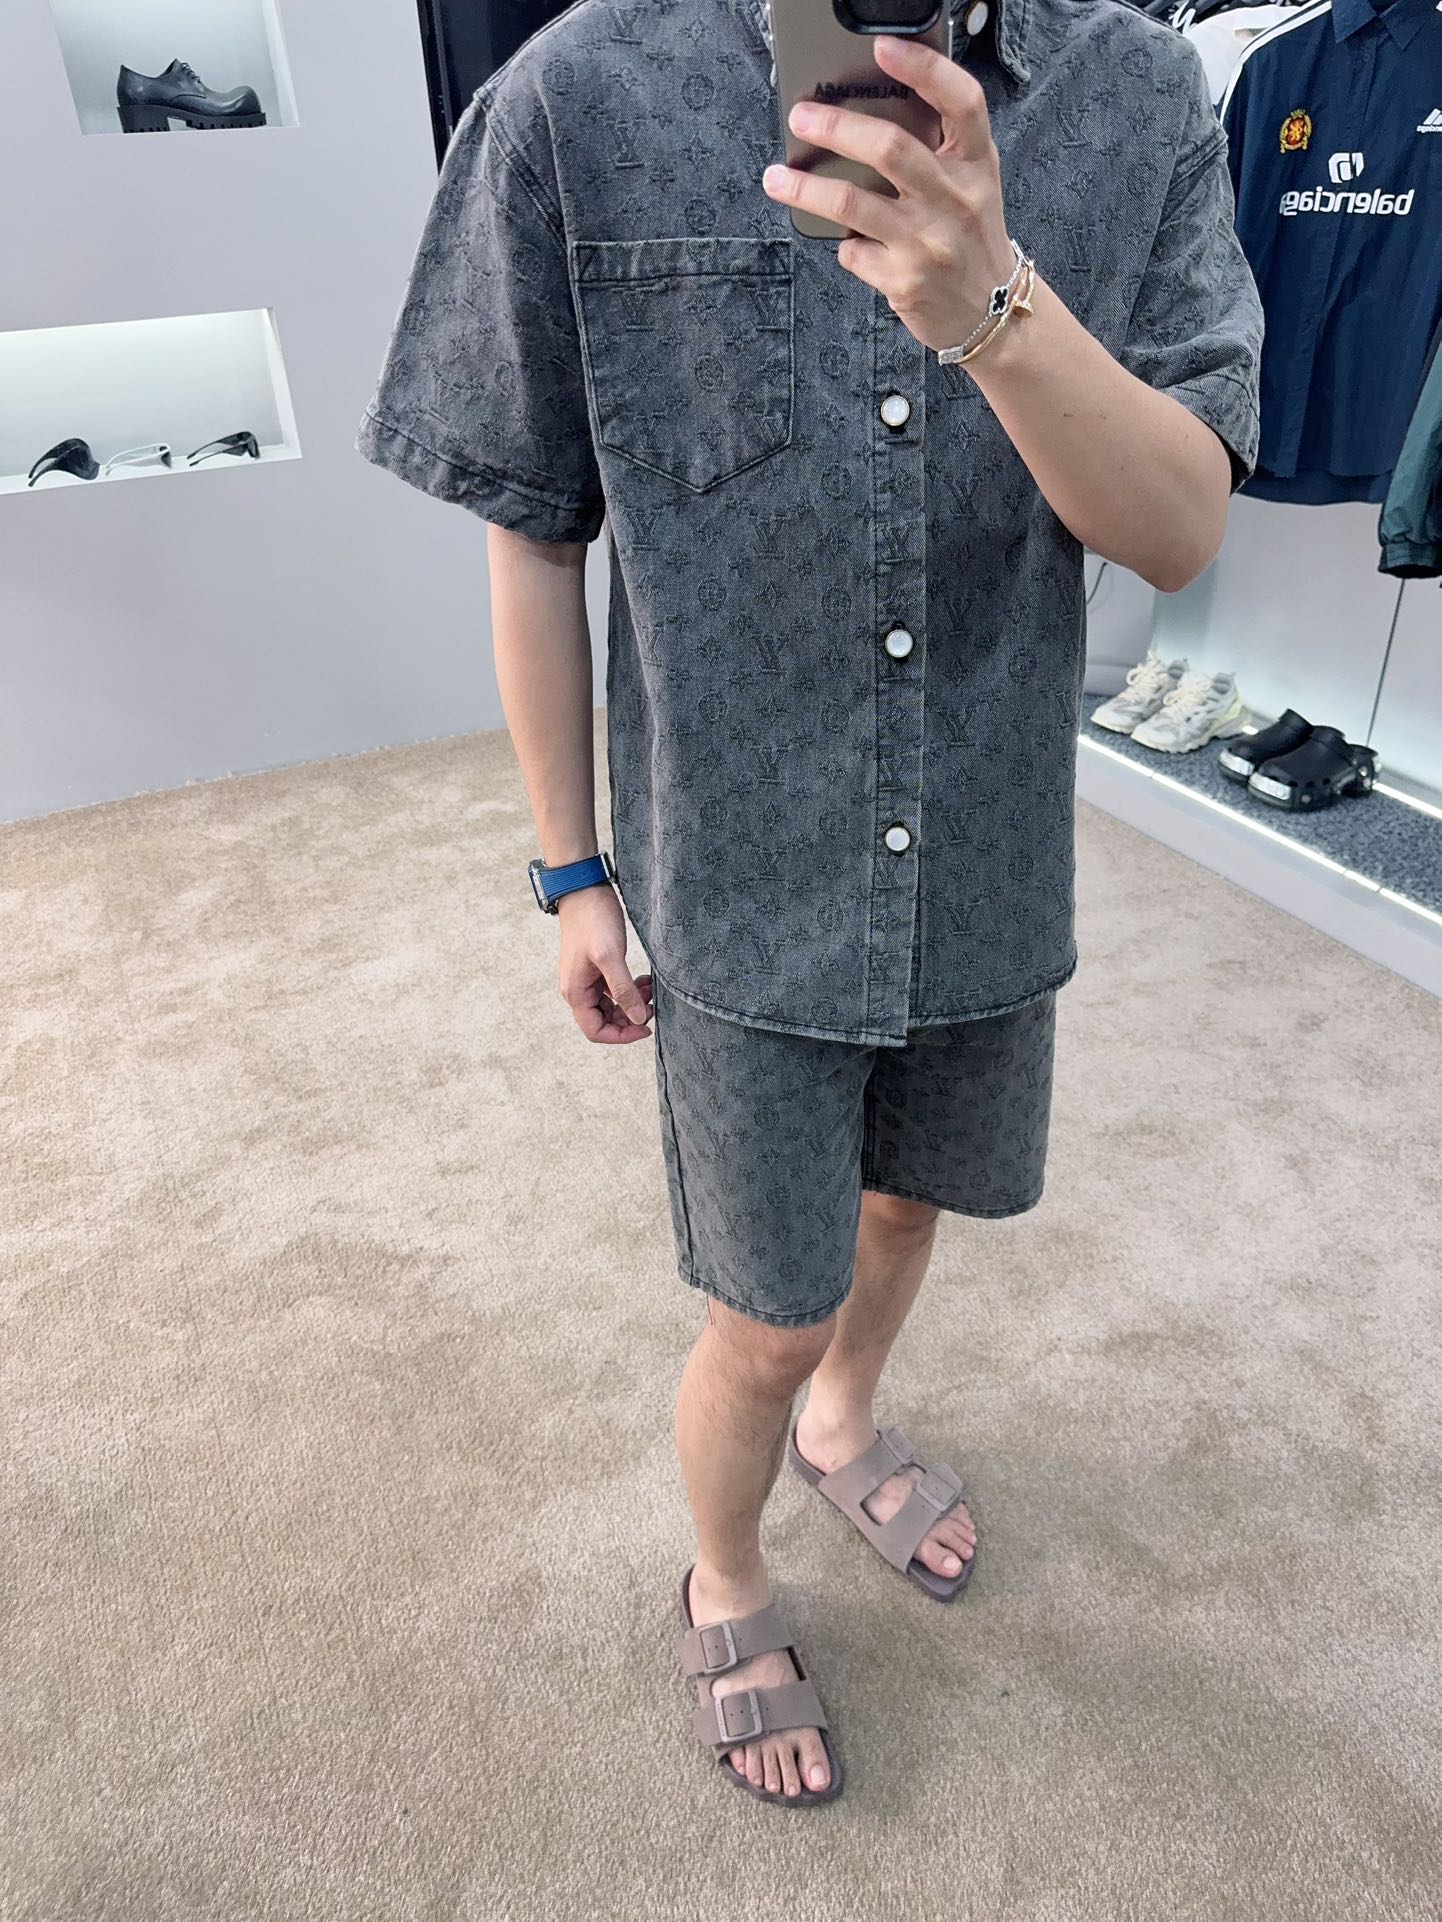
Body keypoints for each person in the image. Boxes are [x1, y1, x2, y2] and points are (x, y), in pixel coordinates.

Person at [356, 0, 1263, 1809]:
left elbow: (1177, 529)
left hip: (985, 838)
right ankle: (726, 1573)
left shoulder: (1139, 90)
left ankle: (845, 1423)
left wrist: (992, 307)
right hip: (739, 875)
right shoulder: (571, 98)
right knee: (765, 1310)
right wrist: (568, 869)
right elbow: (533, 524)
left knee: (910, 1207)